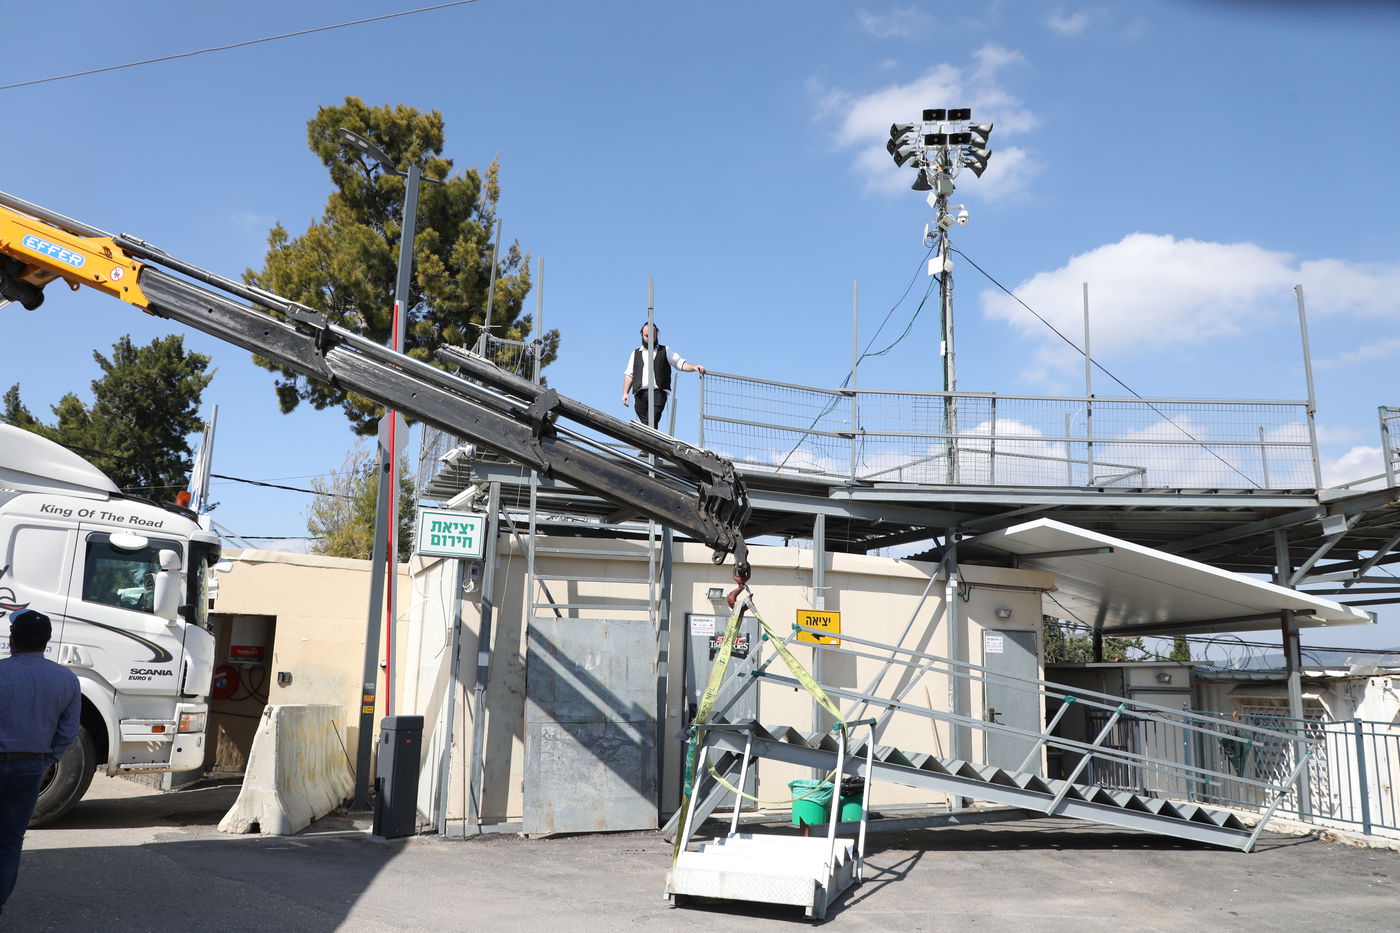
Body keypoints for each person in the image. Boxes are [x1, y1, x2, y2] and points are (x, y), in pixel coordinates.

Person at [0, 609, 80, 917]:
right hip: (30, 767)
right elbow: (67, 733)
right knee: (8, 842)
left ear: (12, 640)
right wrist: (45, 760)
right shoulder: (66, 679)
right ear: (46, 642)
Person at [621, 323, 705, 429]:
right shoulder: (635, 353)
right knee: (646, 423)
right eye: (646, 336)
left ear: (657, 335)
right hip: (640, 393)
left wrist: (694, 367)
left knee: (653, 419)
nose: (650, 339)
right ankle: (649, 442)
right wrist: (625, 393)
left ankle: (649, 443)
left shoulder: (665, 350)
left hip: (658, 392)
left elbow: (680, 363)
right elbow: (629, 374)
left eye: (653, 336)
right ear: (641, 335)